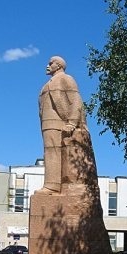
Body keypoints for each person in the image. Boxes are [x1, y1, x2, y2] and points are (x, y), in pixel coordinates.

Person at [36, 56, 91, 195]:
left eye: (51, 63)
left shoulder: (66, 79)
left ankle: (52, 186)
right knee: (50, 151)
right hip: (47, 123)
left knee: (54, 151)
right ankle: (52, 184)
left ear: (59, 65)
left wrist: (72, 122)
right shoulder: (47, 84)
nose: (47, 65)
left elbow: (76, 101)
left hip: (59, 122)